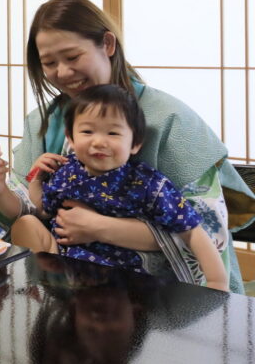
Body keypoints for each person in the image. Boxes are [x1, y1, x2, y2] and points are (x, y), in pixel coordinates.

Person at [0, 0, 253, 293]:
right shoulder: (43, 121)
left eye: (72, 57)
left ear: (107, 44)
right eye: (49, 63)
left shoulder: (170, 120)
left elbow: (207, 232)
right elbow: (30, 214)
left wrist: (99, 227)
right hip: (65, 286)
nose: (62, 73)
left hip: (157, 292)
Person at [14, 84, 227, 291]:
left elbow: (192, 231)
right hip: (64, 268)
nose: (99, 142)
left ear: (135, 143)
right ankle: (42, 287)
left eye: (113, 133)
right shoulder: (67, 171)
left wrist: (217, 282)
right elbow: (44, 209)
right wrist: (36, 181)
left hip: (120, 281)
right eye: (87, 131)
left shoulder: (146, 183)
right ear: (71, 138)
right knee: (27, 223)